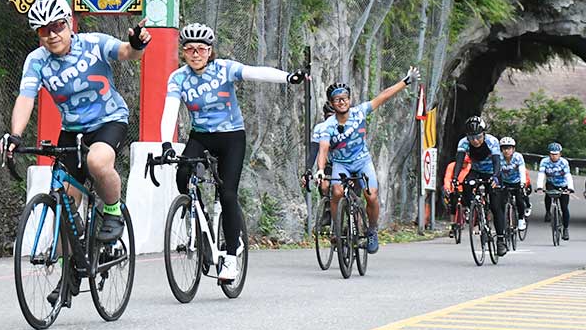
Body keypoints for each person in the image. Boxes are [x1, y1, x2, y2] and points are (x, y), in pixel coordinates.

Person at [2, 0, 149, 275]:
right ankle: (66, 272)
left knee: (97, 163)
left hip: (109, 120)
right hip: (72, 130)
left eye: (57, 26)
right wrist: (16, 135)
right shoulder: (36, 61)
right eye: (44, 30)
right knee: (65, 202)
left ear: (69, 23)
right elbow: (26, 97)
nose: (52, 34)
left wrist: (138, 44)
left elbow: (127, 53)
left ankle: (113, 212)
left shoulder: (94, 43)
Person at [158, 23, 305, 281]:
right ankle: (201, 230)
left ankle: (230, 254)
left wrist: (287, 77)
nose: (195, 54)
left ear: (210, 50)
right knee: (182, 176)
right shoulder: (178, 78)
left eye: (201, 49)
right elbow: (170, 110)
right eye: (189, 49)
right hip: (201, 136)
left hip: (231, 137)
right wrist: (166, 145)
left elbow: (254, 73)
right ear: (183, 52)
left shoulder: (224, 69)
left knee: (227, 194)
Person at [311, 67, 419, 254]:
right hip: (341, 164)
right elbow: (323, 149)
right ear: (331, 103)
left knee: (371, 194)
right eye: (337, 99)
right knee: (336, 192)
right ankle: (337, 228)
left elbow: (383, 96)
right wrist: (320, 170)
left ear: (350, 99)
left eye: (345, 98)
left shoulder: (359, 112)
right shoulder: (328, 126)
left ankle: (372, 230)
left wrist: (406, 81)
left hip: (362, 161)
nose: (342, 102)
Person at [453, 116, 506, 255]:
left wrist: (495, 176)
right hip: (476, 170)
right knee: (466, 183)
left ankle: (501, 240)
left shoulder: (492, 141)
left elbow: (497, 161)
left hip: (492, 171)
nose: (475, 141)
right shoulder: (463, 142)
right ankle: (473, 207)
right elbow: (458, 162)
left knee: (495, 206)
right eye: (472, 138)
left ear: (484, 133)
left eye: (478, 137)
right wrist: (454, 178)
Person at [536, 142, 574, 240]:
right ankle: (548, 212)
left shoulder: (564, 162)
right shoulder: (544, 161)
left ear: (560, 154)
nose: (554, 156)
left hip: (563, 184)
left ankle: (565, 229)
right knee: (548, 194)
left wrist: (570, 187)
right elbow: (541, 174)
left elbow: (568, 175)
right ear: (549, 154)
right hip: (551, 183)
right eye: (552, 154)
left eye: (556, 154)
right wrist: (539, 186)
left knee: (564, 207)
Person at [497, 136, 530, 232]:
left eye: (509, 148)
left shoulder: (518, 157)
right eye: (504, 148)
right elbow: (496, 171)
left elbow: (521, 170)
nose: (506, 151)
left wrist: (523, 183)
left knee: (520, 200)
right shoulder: (499, 157)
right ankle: (503, 221)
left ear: (513, 149)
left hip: (517, 181)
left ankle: (520, 219)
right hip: (505, 182)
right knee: (501, 202)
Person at [442, 157, 471, 236]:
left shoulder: (470, 167)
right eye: (463, 162)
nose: (465, 165)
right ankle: (452, 225)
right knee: (453, 205)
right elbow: (447, 178)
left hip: (466, 188)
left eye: (466, 163)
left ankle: (467, 212)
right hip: (454, 188)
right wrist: (448, 188)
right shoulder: (452, 166)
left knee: (469, 200)